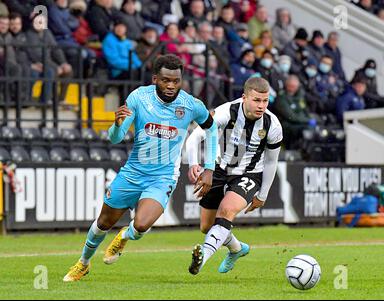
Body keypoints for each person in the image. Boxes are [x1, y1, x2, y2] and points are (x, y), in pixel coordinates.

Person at [63, 54, 218, 282]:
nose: (171, 86)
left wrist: (209, 168)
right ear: (155, 78)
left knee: (142, 224)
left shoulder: (191, 105)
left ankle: (124, 236)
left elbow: (212, 129)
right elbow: (115, 138)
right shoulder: (138, 98)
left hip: (162, 177)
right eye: (166, 80)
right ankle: (83, 263)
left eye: (176, 81)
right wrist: (116, 125)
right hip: (132, 173)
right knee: (103, 223)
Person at [185, 77, 282, 275]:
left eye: (265, 101)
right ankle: (237, 249)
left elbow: (272, 161)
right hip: (219, 170)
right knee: (206, 226)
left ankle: (202, 257)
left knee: (227, 210)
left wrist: (262, 195)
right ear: (244, 97)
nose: (261, 106)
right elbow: (195, 136)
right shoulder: (226, 112)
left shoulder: (273, 125)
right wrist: (194, 163)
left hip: (249, 173)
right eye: (256, 100)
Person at [273, 75, 315, 149]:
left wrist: (310, 118)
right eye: (291, 86)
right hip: (287, 125)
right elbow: (291, 117)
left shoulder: (299, 96)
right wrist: (307, 120)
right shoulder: (281, 98)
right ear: (286, 85)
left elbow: (305, 110)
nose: (292, 88)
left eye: (295, 86)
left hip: (301, 122)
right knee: (305, 129)